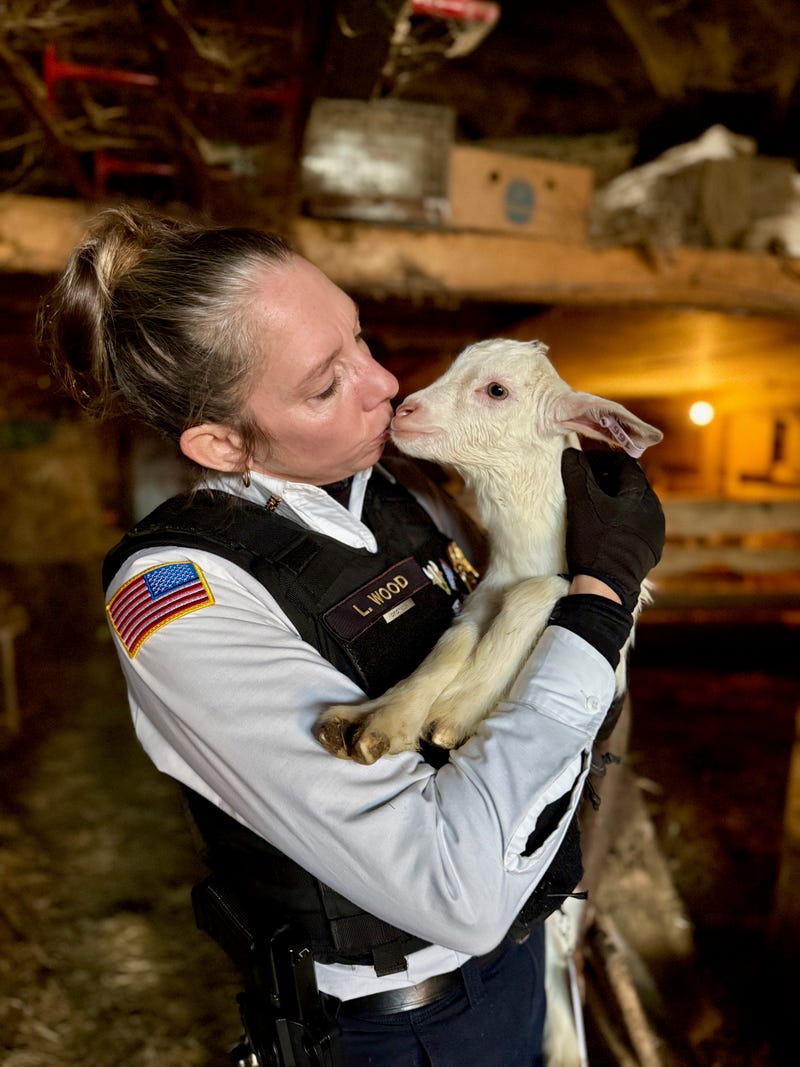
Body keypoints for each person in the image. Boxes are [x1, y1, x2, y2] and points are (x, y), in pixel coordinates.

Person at [39, 205, 665, 1067]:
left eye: (360, 338)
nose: (385, 383)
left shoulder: (408, 495)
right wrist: (595, 606)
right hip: (399, 1029)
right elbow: (459, 889)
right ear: (220, 443)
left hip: (520, 963)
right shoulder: (184, 595)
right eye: (324, 385)